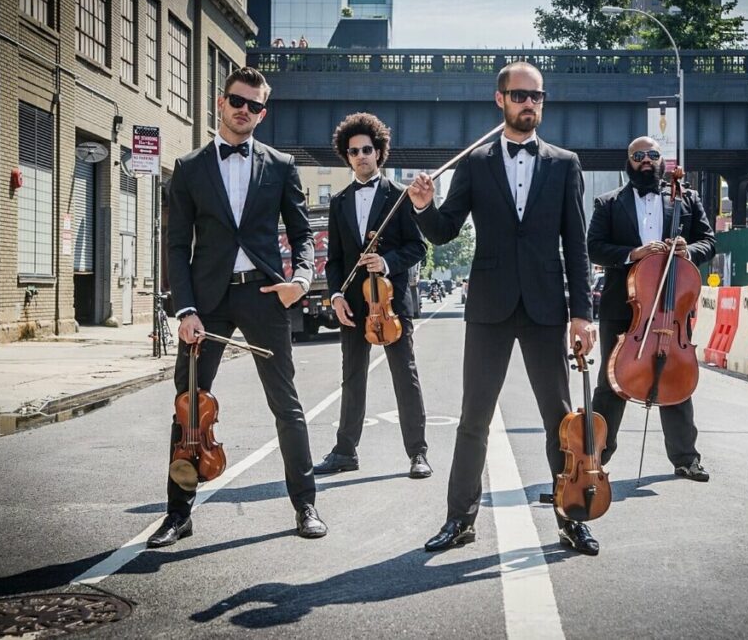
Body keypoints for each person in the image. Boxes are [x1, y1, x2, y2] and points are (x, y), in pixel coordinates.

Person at [408, 61, 598, 555]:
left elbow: (576, 245)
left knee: (559, 420)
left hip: (546, 308)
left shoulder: (565, 163)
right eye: (519, 95)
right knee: (474, 418)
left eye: (537, 96)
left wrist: (582, 314)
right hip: (489, 308)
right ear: (500, 100)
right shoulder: (475, 163)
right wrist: (424, 206)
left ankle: (571, 517)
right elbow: (445, 230)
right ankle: (459, 520)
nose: (529, 103)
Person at [147, 67, 327, 548]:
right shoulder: (189, 168)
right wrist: (184, 309)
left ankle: (305, 504)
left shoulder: (281, 165)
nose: (244, 110)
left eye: (254, 105)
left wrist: (300, 281)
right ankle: (177, 514)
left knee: (286, 405)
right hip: (205, 304)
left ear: (262, 114)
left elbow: (303, 234)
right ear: (220, 103)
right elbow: (177, 245)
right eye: (237, 101)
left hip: (264, 296)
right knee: (189, 408)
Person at [587, 136, 716, 485]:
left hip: (672, 307)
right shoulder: (608, 203)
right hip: (623, 308)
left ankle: (686, 459)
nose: (646, 160)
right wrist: (634, 254)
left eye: (653, 155)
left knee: (675, 376)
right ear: (629, 161)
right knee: (612, 382)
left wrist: (689, 251)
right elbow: (594, 248)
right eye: (639, 155)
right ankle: (594, 457)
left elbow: (709, 241)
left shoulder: (686, 199)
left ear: (661, 160)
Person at [316, 112, 432, 479]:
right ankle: (344, 451)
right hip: (353, 303)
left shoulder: (399, 197)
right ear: (347, 156)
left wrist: (386, 262)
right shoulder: (339, 202)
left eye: (367, 149)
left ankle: (418, 453)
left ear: (379, 152)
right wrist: (336, 295)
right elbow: (335, 259)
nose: (361, 156)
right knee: (352, 377)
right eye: (354, 152)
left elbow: (418, 247)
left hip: (391, 302)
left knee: (404, 375)